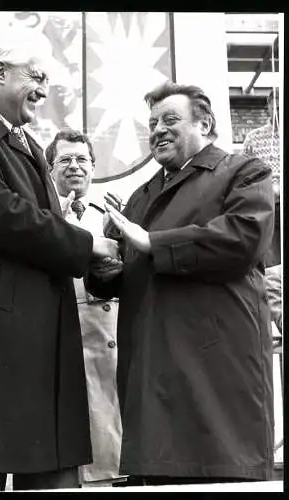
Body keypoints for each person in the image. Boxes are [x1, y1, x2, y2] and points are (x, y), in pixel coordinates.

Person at [0, 33, 119, 492]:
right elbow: (2, 215)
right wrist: (86, 244)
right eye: (37, 76)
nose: (44, 89)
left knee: (52, 473)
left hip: (40, 343)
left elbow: (39, 228)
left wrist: (112, 261)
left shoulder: (29, 145)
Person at [86, 81, 275, 485]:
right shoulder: (141, 195)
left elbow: (242, 239)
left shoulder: (244, 172)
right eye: (152, 123)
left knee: (214, 473)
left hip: (214, 371)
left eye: (170, 119)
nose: (157, 130)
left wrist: (150, 241)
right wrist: (104, 271)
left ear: (205, 125)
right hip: (152, 371)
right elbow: (135, 271)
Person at [45, 129, 126, 487]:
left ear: (94, 168)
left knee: (111, 442)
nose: (75, 167)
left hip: (109, 342)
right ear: (49, 170)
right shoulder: (40, 217)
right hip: (64, 341)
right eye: (65, 160)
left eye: (83, 160)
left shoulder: (107, 215)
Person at [243, 88, 280, 267]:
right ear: (269, 107)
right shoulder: (253, 138)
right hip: (266, 206)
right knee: (270, 259)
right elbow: (244, 174)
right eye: (277, 107)